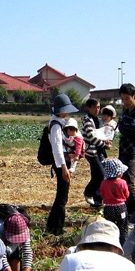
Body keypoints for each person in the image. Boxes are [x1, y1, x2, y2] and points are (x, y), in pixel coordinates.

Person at [45, 93, 79, 236]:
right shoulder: (56, 126)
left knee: (61, 197)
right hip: (61, 164)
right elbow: (57, 149)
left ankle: (52, 226)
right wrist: (64, 167)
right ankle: (56, 228)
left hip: (62, 163)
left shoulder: (57, 122)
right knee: (62, 198)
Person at [81, 99, 111, 207]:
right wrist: (104, 145)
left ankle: (97, 201)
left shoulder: (97, 120)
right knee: (101, 176)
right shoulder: (87, 120)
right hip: (91, 152)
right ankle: (88, 192)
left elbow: (100, 135)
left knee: (96, 175)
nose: (97, 109)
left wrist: (105, 140)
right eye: (95, 107)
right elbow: (92, 137)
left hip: (98, 152)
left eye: (99, 107)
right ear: (88, 108)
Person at [99, 158, 130, 244]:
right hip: (121, 208)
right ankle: (123, 245)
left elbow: (102, 194)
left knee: (109, 227)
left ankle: (110, 243)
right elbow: (127, 195)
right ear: (119, 172)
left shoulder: (103, 183)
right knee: (123, 228)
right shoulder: (123, 182)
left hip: (108, 208)